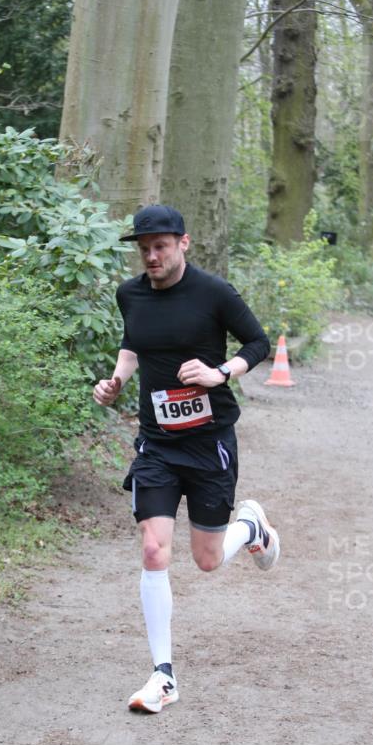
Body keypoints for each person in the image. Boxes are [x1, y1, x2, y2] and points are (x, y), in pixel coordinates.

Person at [93, 204, 280, 714]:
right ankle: (163, 675)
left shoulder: (213, 293)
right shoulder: (130, 293)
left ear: (183, 243)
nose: (152, 256)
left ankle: (252, 528)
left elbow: (259, 342)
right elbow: (133, 346)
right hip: (156, 443)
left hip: (208, 442)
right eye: (144, 248)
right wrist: (117, 382)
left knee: (207, 559)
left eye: (161, 246)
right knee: (154, 551)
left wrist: (222, 372)